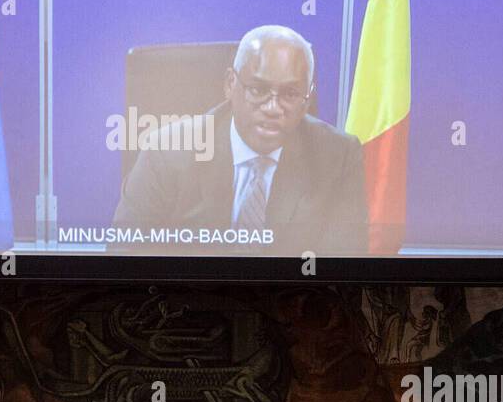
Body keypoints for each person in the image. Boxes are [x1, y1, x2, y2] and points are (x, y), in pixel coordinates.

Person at [112, 25, 369, 256]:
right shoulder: (168, 151)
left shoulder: (338, 157)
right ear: (230, 84)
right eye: (257, 89)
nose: (272, 107)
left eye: (290, 93)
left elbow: (342, 266)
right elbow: (124, 253)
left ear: (307, 97)